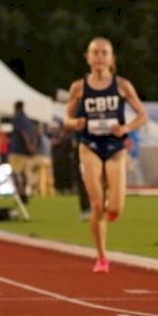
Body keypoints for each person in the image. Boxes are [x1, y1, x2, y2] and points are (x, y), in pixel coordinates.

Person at [63, 37, 148, 274]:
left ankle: (110, 211)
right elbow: (66, 119)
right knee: (97, 204)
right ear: (87, 57)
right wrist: (76, 122)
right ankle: (101, 256)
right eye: (95, 53)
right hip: (89, 144)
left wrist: (126, 128)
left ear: (112, 59)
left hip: (115, 146)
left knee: (116, 208)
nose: (99, 57)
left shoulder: (122, 85)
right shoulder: (78, 87)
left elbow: (143, 114)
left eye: (104, 53)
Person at [8, 101, 38, 203]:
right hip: (26, 152)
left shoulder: (17, 118)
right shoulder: (28, 119)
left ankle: (21, 194)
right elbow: (34, 132)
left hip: (17, 150)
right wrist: (33, 145)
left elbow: (23, 133)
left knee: (15, 173)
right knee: (24, 173)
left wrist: (29, 145)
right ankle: (24, 192)